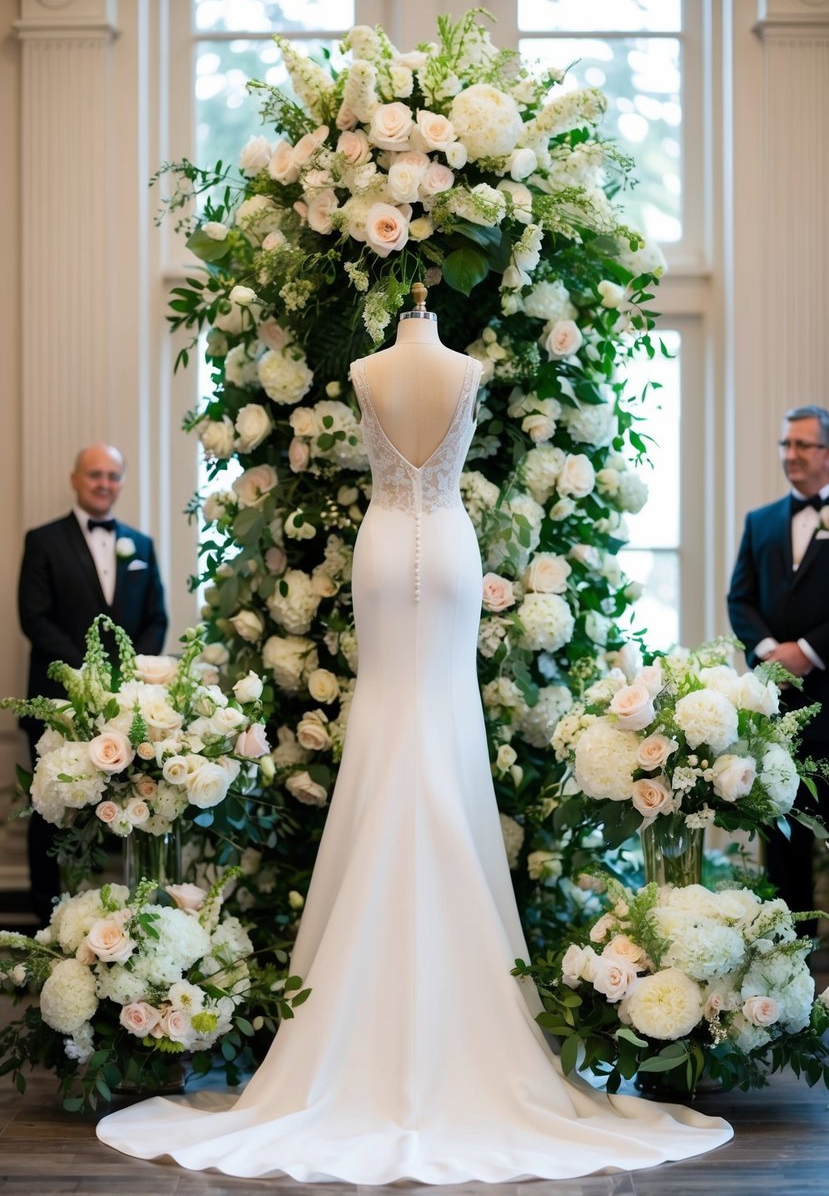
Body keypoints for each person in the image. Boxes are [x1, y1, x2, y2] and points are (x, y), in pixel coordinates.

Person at [96, 290, 731, 1181]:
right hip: (432, 544)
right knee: (406, 719)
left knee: (427, 720)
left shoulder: (388, 369)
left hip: (392, 542)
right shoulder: (420, 369)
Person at [18, 443, 168, 924]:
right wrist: (87, 675)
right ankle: (46, 914)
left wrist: (120, 679)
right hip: (58, 698)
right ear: (75, 478)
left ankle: (126, 920)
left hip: (125, 704)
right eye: (95, 474)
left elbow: (156, 619)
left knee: (129, 803)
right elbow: (35, 619)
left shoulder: (140, 546)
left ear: (121, 482)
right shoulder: (42, 540)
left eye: (113, 475)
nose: (104, 483)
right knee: (49, 806)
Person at [728, 404, 829, 923]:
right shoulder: (761, 521)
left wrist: (808, 651)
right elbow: (739, 598)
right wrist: (769, 651)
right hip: (776, 718)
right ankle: (789, 970)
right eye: (785, 445)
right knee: (784, 849)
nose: (791, 455)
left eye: (803, 445)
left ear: (827, 453)